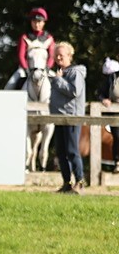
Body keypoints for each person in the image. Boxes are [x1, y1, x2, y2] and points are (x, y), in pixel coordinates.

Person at [49, 41, 86, 192]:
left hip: (71, 117)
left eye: (61, 55)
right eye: (56, 55)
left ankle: (80, 181)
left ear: (70, 56)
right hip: (59, 117)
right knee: (61, 152)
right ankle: (66, 183)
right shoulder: (60, 72)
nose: (58, 57)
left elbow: (74, 91)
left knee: (72, 151)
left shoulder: (75, 73)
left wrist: (58, 80)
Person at [4, 8, 55, 90]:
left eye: (39, 22)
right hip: (26, 70)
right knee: (9, 86)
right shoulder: (25, 37)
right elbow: (21, 55)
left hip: (44, 69)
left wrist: (47, 67)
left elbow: (52, 56)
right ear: (31, 22)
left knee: (59, 82)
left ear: (43, 22)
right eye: (34, 22)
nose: (36, 24)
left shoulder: (49, 38)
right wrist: (26, 69)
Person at [100, 57, 119, 164]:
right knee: (117, 136)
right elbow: (101, 93)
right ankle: (117, 161)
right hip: (113, 113)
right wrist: (104, 99)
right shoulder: (108, 81)